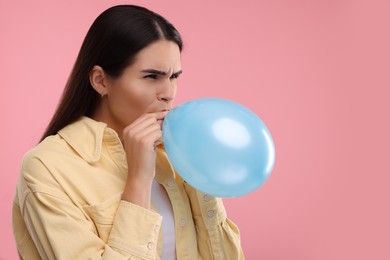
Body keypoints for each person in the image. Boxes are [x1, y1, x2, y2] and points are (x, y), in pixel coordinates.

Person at [12, 5, 244, 260]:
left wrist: (201, 178)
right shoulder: (48, 167)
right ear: (100, 80)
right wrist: (138, 179)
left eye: (174, 76)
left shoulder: (177, 155)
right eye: (152, 76)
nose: (169, 93)